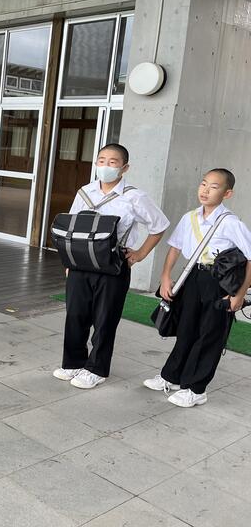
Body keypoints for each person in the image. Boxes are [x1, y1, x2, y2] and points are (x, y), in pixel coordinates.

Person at [53, 143, 169, 389]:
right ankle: (73, 363)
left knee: (105, 319)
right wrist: (69, 261)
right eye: (101, 160)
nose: (105, 166)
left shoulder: (134, 196)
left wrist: (140, 254)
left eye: (113, 162)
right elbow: (72, 227)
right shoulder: (85, 192)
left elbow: (159, 226)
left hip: (113, 265)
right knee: (75, 315)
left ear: (124, 168)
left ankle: (96, 369)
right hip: (80, 264)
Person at [143, 169, 251, 407]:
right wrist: (165, 276)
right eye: (203, 184)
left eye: (214, 186)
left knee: (210, 334)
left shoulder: (231, 223)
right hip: (192, 276)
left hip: (219, 282)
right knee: (186, 329)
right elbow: (175, 247)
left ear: (227, 193)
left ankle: (196, 389)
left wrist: (240, 294)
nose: (206, 190)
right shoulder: (189, 217)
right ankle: (172, 377)